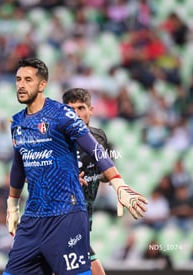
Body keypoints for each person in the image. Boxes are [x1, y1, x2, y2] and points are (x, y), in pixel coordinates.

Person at [4, 58, 148, 275]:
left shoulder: (62, 114)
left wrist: (119, 184)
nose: (21, 85)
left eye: (28, 80)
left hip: (65, 215)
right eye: (18, 80)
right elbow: (18, 165)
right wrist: (12, 205)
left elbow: (96, 151)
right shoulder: (17, 123)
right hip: (32, 219)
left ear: (42, 85)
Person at [62, 88, 149, 275]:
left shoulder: (99, 138)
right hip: (59, 222)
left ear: (91, 110)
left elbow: (105, 170)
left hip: (81, 222)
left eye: (80, 108)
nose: (75, 114)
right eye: (70, 109)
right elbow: (32, 175)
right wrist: (64, 179)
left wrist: (118, 186)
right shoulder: (55, 141)